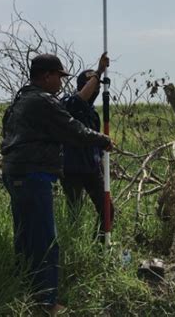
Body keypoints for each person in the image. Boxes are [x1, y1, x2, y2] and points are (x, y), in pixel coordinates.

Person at [1, 53, 112, 316]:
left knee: (25, 237)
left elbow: (72, 106)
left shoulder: (22, 98)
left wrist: (97, 71)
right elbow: (71, 128)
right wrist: (102, 139)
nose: (61, 83)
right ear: (46, 76)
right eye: (58, 77)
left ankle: (26, 291)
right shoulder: (42, 101)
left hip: (15, 174)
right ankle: (47, 302)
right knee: (45, 240)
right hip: (34, 175)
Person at [61, 53, 114, 240]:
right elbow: (80, 99)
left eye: (98, 87)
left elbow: (96, 143)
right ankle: (73, 250)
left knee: (107, 210)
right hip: (71, 169)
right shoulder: (68, 104)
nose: (96, 90)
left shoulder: (93, 114)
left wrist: (102, 162)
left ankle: (99, 246)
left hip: (92, 169)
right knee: (74, 213)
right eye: (93, 85)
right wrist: (99, 71)